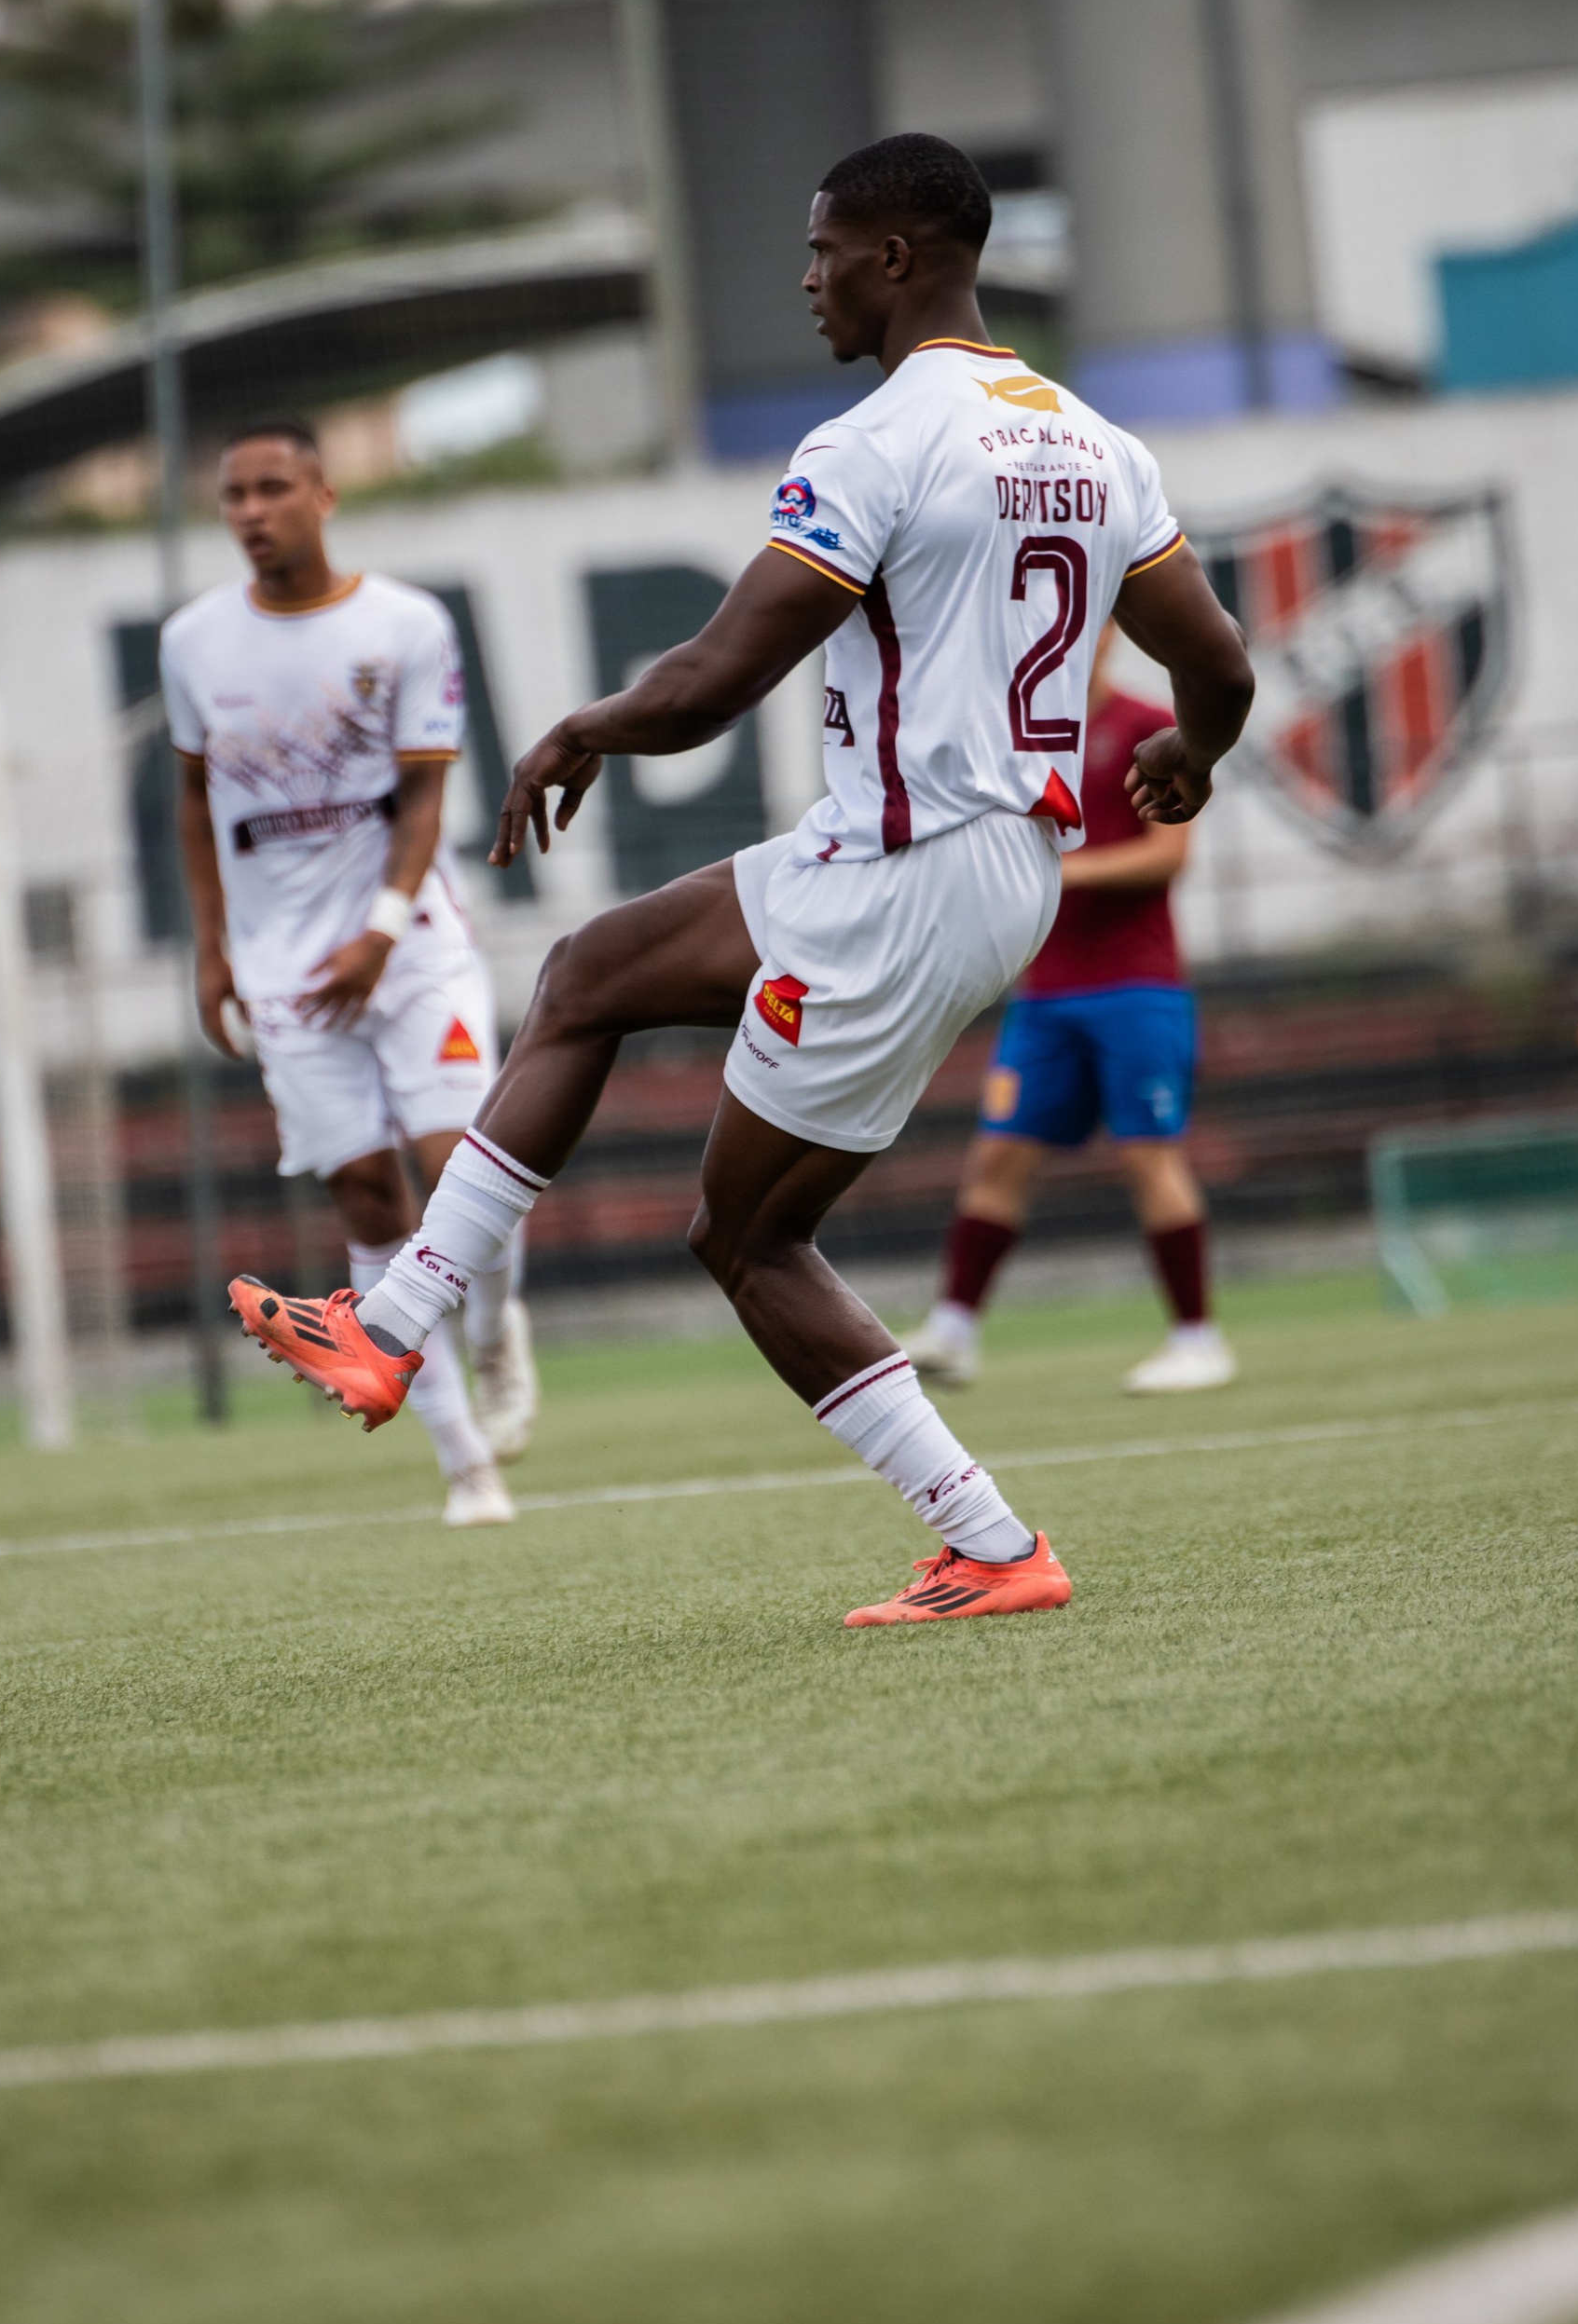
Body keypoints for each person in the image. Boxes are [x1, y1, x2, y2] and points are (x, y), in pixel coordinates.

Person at [229, 132, 1255, 1629]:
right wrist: (1192, 755)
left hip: (904, 861)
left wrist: (588, 727)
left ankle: (983, 1541)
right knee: (593, 984)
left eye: (828, 246)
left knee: (740, 1227)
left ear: (898, 258)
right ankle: (392, 1324)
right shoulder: (1101, 444)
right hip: (996, 869)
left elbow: (719, 677)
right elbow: (1217, 667)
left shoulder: (876, 440)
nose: (809, 277)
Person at [165, 418, 541, 1526]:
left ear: (323, 495)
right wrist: (211, 944)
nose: (249, 511)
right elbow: (192, 799)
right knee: (370, 1193)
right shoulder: (193, 641)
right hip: (285, 973)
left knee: (462, 1169)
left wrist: (378, 928)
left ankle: (493, 1327)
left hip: (411, 948)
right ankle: (465, 1462)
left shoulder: (406, 623)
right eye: (232, 494)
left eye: (271, 487)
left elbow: (424, 797)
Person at [911, 625, 1233, 1397]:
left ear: (1108, 633)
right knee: (998, 1157)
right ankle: (953, 1332)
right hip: (1045, 992)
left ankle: (1198, 1340)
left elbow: (1168, 855)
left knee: (1147, 1156)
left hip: (1136, 986)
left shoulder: (1147, 726)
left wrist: (1063, 872)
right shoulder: (1012, 737)